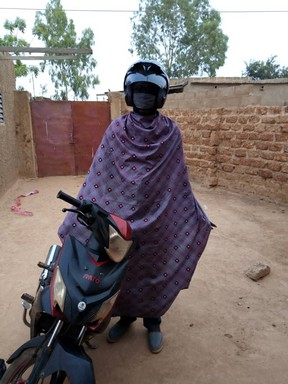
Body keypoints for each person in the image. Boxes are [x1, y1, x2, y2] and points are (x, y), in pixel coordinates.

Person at [58, 59, 212, 354]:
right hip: (120, 221)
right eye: (138, 90)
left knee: (154, 271)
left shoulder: (171, 133)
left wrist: (195, 213)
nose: (143, 96)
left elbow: (178, 180)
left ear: (161, 97)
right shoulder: (116, 130)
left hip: (158, 220)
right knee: (122, 272)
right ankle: (126, 316)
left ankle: (153, 322)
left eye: (149, 91)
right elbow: (100, 175)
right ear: (129, 94)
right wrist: (83, 211)